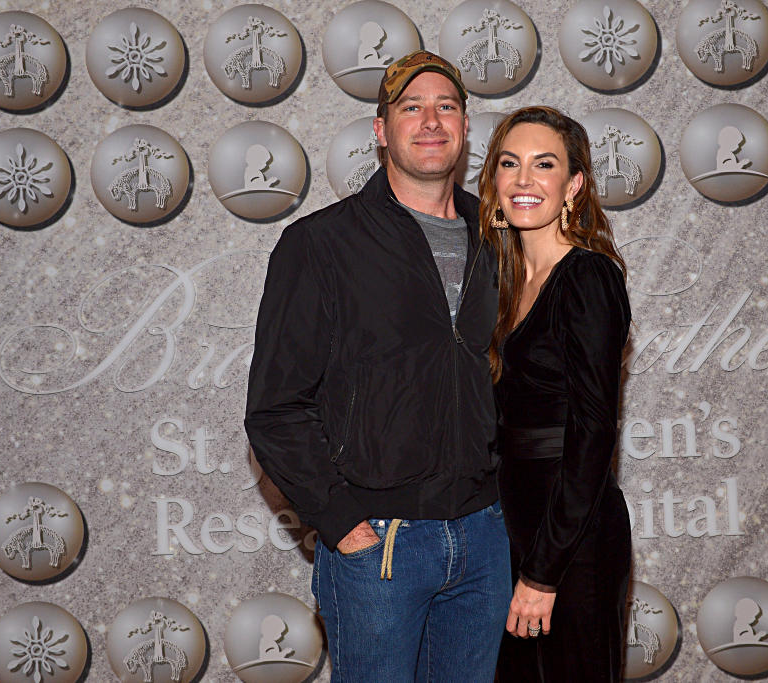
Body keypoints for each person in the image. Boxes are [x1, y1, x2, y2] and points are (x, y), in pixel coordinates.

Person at [244, 50, 510, 682]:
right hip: (380, 549)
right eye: (410, 107)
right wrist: (342, 523)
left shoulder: (499, 236)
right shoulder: (321, 244)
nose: (430, 120)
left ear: (466, 128)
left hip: (484, 539)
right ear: (381, 130)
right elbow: (275, 409)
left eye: (446, 106)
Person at [477, 106, 632, 682]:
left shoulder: (589, 277)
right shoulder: (504, 282)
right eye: (509, 164)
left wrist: (543, 573)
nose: (523, 180)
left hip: (572, 541)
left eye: (544, 165)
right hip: (513, 530)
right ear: (493, 180)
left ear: (573, 185)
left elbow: (593, 434)